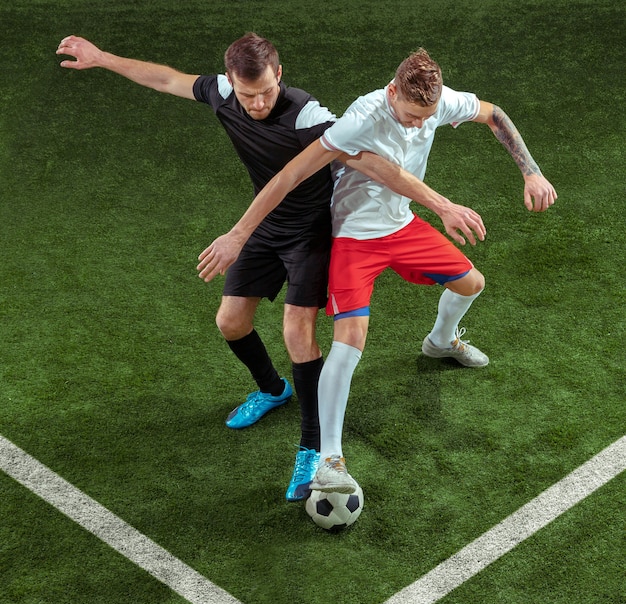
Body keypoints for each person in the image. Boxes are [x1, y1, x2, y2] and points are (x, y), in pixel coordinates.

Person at [55, 34, 461, 502]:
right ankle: (272, 389)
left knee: (297, 331)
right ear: (230, 82)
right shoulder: (222, 94)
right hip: (267, 226)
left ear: (279, 75)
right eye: (249, 94)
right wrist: (102, 58)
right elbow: (166, 78)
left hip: (313, 232)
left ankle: (312, 447)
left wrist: (437, 203)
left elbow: (367, 161)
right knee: (229, 322)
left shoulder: (308, 115)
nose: (259, 101)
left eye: (267, 90)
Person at [197, 47, 557, 494]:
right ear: (391, 92)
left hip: (400, 225)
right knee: (350, 343)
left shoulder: (437, 102)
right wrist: (238, 234)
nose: (417, 125)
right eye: (409, 116)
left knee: (472, 283)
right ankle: (330, 458)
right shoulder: (358, 121)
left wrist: (532, 173)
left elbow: (493, 113)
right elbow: (288, 176)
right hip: (352, 236)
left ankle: (440, 342)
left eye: (426, 117)